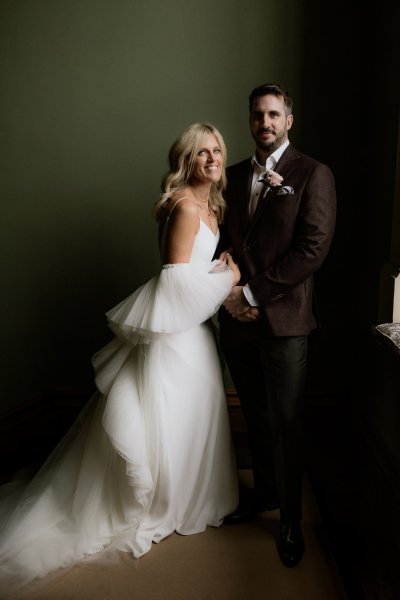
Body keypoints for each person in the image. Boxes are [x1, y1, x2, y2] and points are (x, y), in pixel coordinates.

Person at [0, 122, 241, 593]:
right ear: (185, 161)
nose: (213, 159)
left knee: (192, 415)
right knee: (166, 418)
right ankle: (160, 502)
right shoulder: (186, 206)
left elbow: (192, 273)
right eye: (201, 153)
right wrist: (228, 281)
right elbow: (173, 282)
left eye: (217, 151)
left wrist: (215, 269)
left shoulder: (210, 205)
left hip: (193, 333)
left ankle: (187, 497)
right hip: (175, 336)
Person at [218, 83, 336, 568]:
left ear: (289, 120)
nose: (263, 122)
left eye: (272, 115)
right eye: (256, 115)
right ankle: (263, 495)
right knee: (257, 416)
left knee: (287, 422)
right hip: (237, 323)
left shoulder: (313, 174)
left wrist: (251, 295)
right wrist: (227, 296)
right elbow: (220, 241)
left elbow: (312, 250)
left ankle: (290, 519)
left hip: (285, 323)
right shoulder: (231, 175)